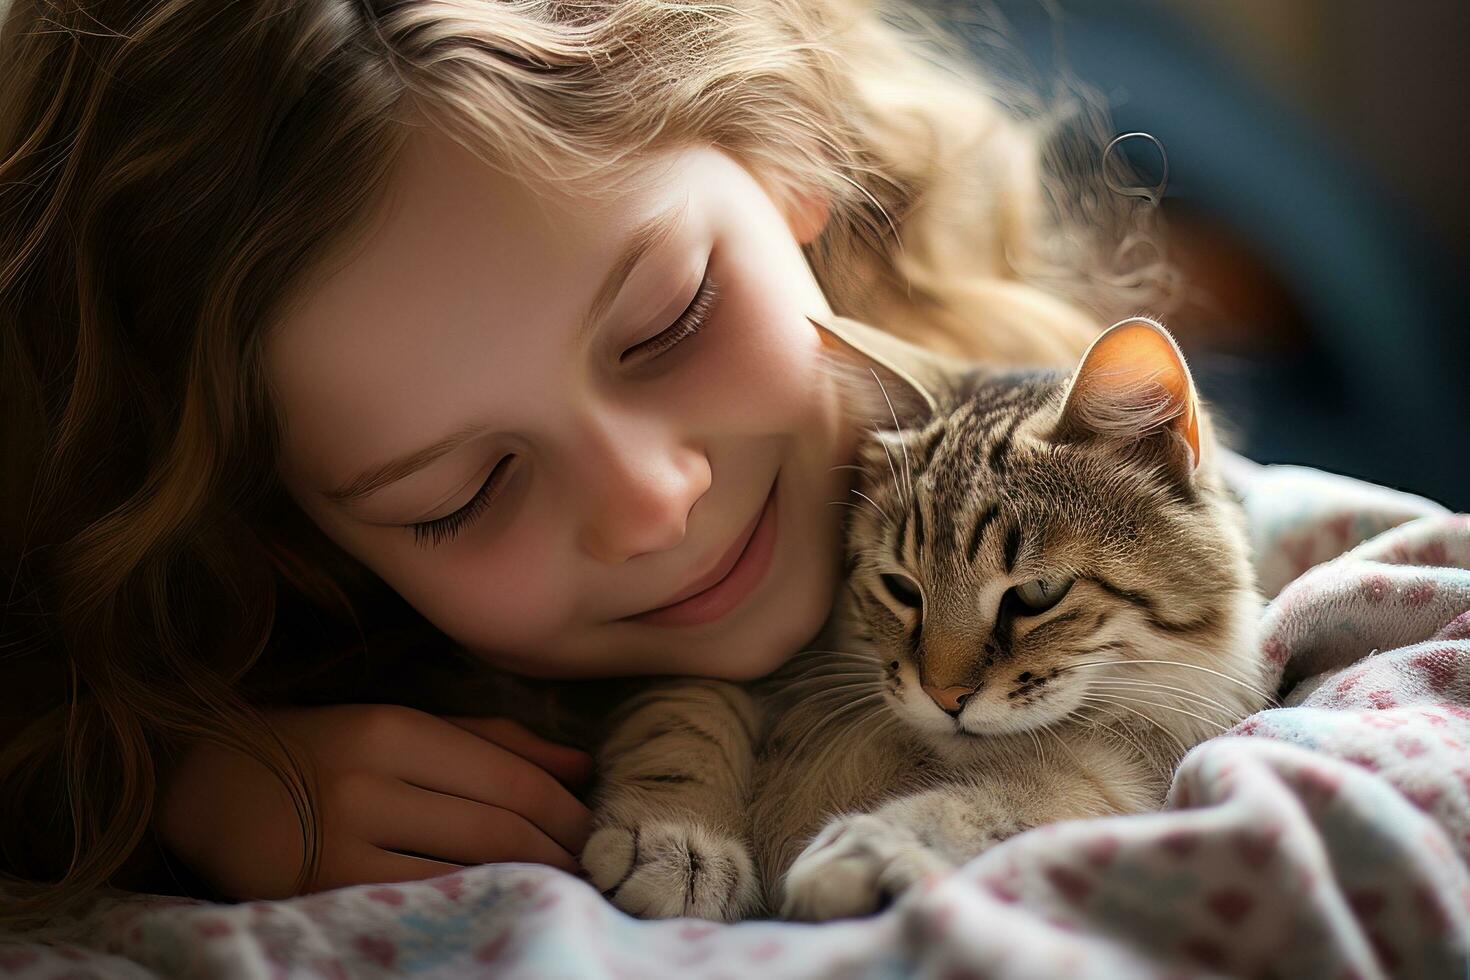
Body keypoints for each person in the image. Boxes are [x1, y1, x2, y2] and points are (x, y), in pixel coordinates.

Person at [0, 0, 1166, 921]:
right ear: (270, 527)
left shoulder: (1060, 455)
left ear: (787, 158)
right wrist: (172, 782)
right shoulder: (259, 678)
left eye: (672, 321)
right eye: (459, 495)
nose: (653, 505)